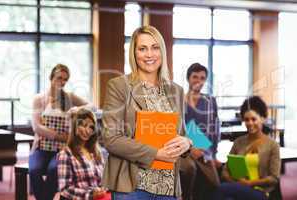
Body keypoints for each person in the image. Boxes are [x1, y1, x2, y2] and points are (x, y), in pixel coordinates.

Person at [101, 25, 191, 200]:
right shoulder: (119, 86)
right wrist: (157, 154)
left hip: (167, 187)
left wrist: (187, 143)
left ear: (162, 51)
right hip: (132, 188)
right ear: (134, 54)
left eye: (155, 47)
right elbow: (111, 138)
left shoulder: (176, 91)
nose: (150, 54)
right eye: (143, 49)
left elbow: (181, 134)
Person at [29, 64, 90, 200]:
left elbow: (90, 106)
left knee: (53, 170)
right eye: (59, 78)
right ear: (51, 78)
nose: (62, 82)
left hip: (61, 150)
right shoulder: (38, 99)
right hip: (40, 147)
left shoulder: (68, 97)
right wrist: (60, 136)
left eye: (65, 80)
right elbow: (37, 127)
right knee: (34, 170)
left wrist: (76, 110)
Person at [212, 96, 281, 200]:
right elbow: (225, 171)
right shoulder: (238, 142)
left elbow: (274, 178)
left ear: (262, 119)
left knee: (221, 189)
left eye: (254, 119)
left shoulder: (272, 145)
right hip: (237, 188)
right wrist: (237, 183)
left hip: (260, 192)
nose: (250, 123)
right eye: (246, 120)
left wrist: (250, 183)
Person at [180, 63, 221, 200]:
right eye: (195, 77)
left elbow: (215, 129)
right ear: (188, 78)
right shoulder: (179, 100)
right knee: (190, 173)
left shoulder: (210, 100)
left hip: (205, 150)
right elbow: (176, 129)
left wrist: (213, 155)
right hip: (184, 150)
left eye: (202, 78)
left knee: (214, 183)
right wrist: (190, 149)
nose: (199, 81)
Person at [57, 108, 109, 200]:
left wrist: (103, 189)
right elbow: (65, 189)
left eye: (91, 127)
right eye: (83, 125)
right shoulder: (65, 154)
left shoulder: (97, 153)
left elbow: (104, 180)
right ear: (75, 127)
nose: (87, 130)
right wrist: (91, 195)